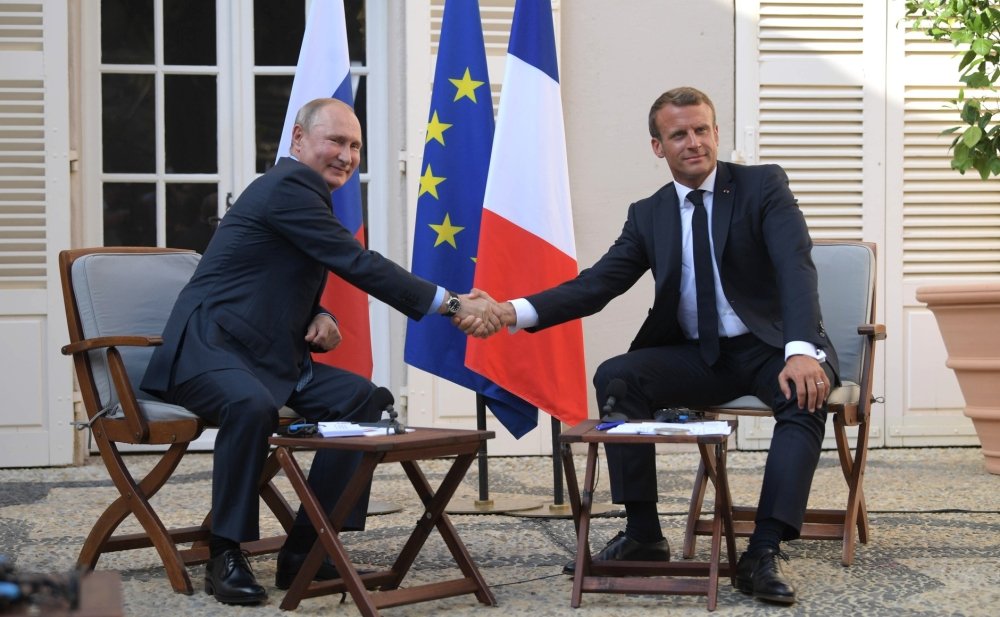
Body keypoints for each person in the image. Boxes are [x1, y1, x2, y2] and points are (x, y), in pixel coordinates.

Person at [483, 87, 836, 606]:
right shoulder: (648, 214)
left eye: (701, 130)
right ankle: (644, 533)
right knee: (617, 376)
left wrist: (803, 349)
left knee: (806, 395)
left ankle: (762, 550)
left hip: (769, 346)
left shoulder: (763, 186)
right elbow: (597, 284)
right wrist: (511, 311)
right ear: (658, 147)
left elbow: (795, 267)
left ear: (716, 134)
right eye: (678, 135)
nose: (693, 142)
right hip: (699, 355)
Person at [141, 97, 497, 605]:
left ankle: (308, 548)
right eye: (335, 141)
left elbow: (274, 272)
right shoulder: (288, 186)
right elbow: (356, 262)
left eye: (355, 146)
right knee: (250, 405)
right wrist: (451, 303)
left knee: (364, 401)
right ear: (298, 140)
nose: (347, 155)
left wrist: (321, 313)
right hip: (206, 351)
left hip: (267, 356)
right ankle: (225, 553)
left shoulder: (305, 193)